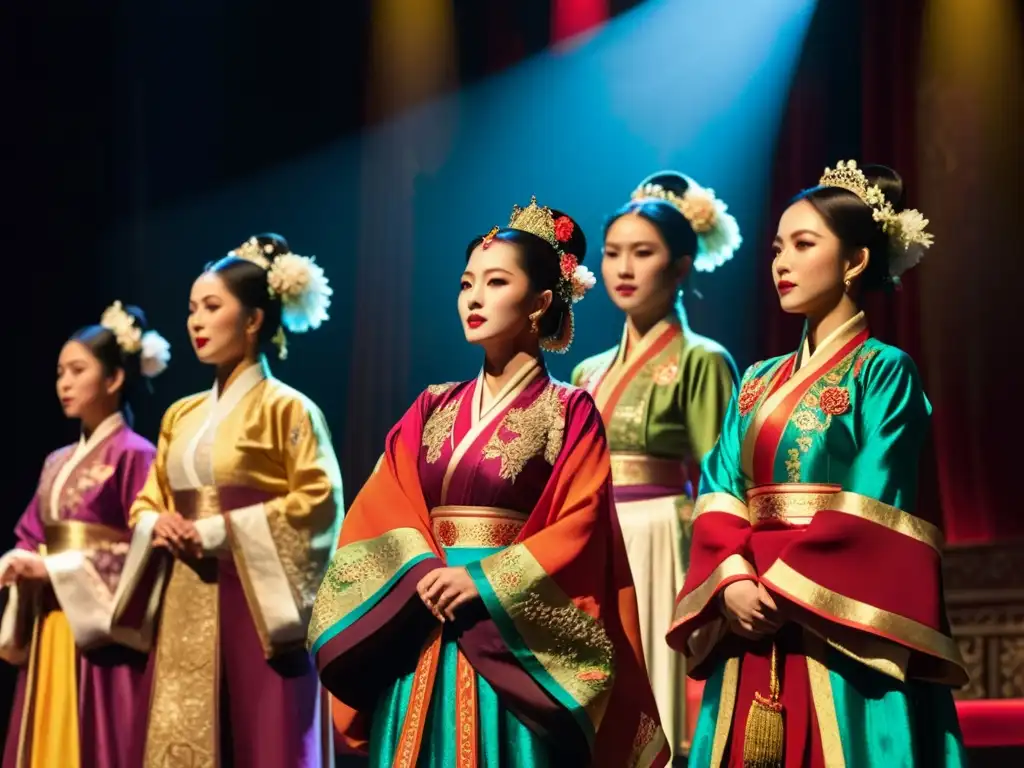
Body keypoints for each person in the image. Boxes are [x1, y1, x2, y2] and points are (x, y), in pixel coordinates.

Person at [308, 198, 670, 767]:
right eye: (466, 283)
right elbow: (386, 501)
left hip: (512, 636)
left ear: (541, 302)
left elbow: (581, 524)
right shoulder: (430, 405)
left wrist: (483, 581)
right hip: (424, 610)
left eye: (496, 282)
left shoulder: (571, 411)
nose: (474, 297)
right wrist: (427, 573)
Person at [666, 161, 966, 766]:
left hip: (842, 633)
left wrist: (773, 583)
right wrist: (729, 580)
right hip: (750, 609)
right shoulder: (754, 380)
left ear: (855, 261)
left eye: (804, 245)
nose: (782, 262)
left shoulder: (884, 372)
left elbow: (879, 501)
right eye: (778, 247)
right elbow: (721, 491)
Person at [112, 234, 343, 768]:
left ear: (254, 319)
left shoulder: (290, 410)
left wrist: (216, 533)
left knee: (262, 736)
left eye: (212, 307)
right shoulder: (179, 415)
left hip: (259, 606)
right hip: (184, 598)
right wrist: (156, 523)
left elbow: (320, 505)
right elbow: (148, 500)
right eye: (192, 309)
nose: (196, 321)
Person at [572, 171, 741, 755]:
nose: (623, 268)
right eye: (613, 253)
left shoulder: (703, 360)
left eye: (642, 253)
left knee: (652, 684)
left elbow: (723, 476)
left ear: (681, 265)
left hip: (662, 536)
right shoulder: (586, 371)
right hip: (593, 536)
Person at [0, 302, 170, 768]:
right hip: (51, 621)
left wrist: (52, 567)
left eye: (77, 370)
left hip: (101, 632)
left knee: (98, 743)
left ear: (114, 379)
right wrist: (16, 561)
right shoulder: (56, 461)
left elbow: (144, 549)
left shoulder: (138, 455)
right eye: (59, 373)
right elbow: (30, 533)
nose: (65, 383)